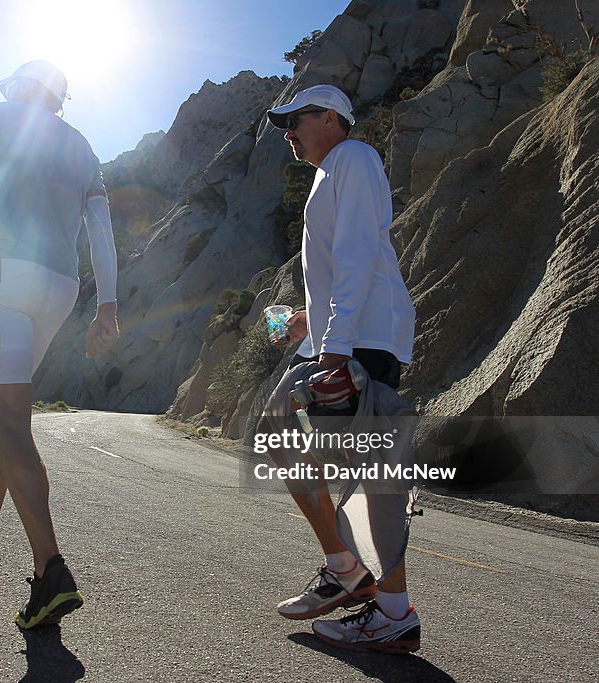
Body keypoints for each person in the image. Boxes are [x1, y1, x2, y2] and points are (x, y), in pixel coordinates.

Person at [0, 60, 119, 629]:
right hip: (61, 288)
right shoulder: (82, 146)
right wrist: (107, 305)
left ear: (17, 88)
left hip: (6, 278)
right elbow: (103, 233)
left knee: (6, 418)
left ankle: (50, 570)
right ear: (60, 100)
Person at [258, 84, 420, 653]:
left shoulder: (354, 156)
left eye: (295, 121)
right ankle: (346, 567)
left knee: (373, 476)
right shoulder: (332, 174)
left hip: (362, 342)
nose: (289, 134)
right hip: (343, 336)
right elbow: (345, 259)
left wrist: (336, 345)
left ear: (330, 117)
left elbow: (358, 252)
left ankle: (392, 610)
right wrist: (314, 320)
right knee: (274, 433)